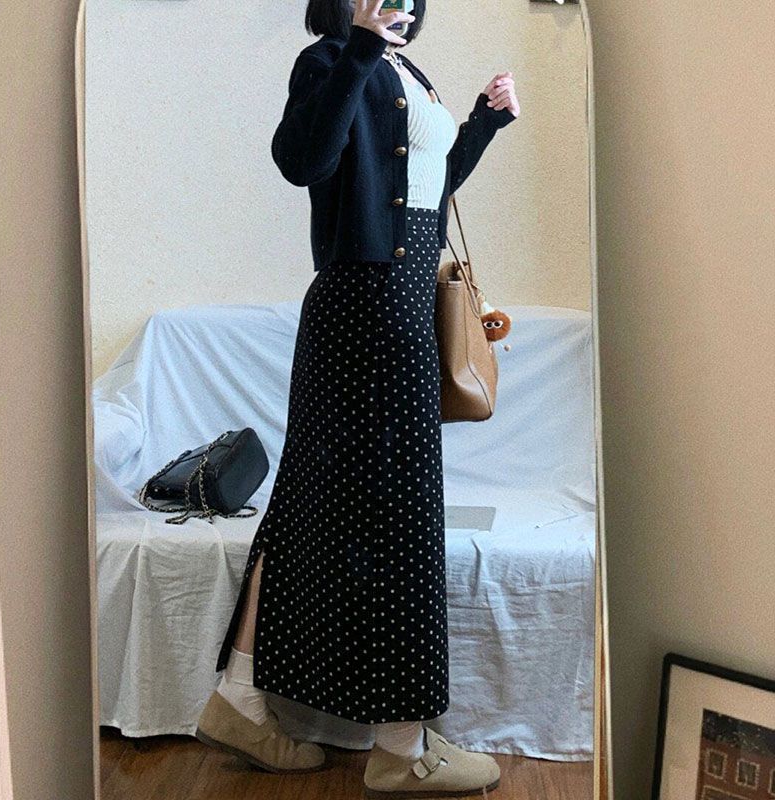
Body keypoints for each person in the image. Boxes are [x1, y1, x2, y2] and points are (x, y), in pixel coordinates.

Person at [196, 0, 519, 795]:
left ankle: (239, 698)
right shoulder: (331, 60)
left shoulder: (407, 69)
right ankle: (402, 749)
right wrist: (361, 50)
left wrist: (483, 122)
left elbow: (423, 189)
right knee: (393, 514)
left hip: (398, 306)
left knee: (317, 506)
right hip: (365, 306)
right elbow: (304, 161)